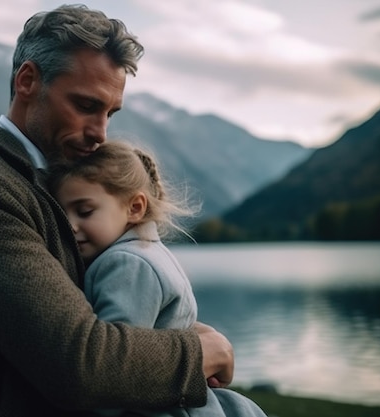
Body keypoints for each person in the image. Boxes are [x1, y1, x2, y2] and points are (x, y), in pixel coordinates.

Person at [0, 4, 235, 416]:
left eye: (109, 113)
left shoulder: (53, 183)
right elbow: (81, 364)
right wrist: (202, 351)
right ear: (27, 81)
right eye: (85, 106)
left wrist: (170, 333)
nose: (101, 133)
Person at [50, 141, 267, 417]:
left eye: (85, 211)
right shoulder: (150, 252)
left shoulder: (127, 264)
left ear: (134, 207)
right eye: (63, 214)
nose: (70, 225)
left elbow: (115, 366)